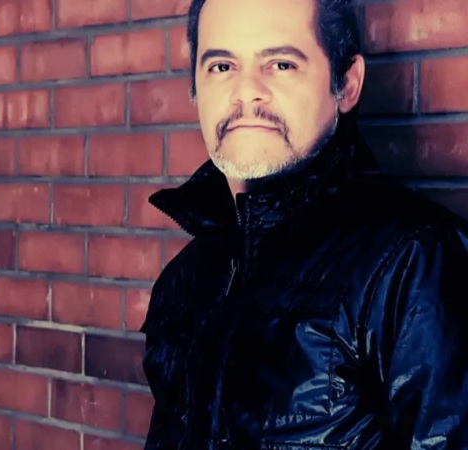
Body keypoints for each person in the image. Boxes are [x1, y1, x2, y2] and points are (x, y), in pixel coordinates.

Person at [140, 0, 468, 448]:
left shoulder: (413, 263)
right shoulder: (186, 278)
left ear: (346, 84)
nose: (246, 92)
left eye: (281, 64)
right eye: (222, 66)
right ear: (195, 88)